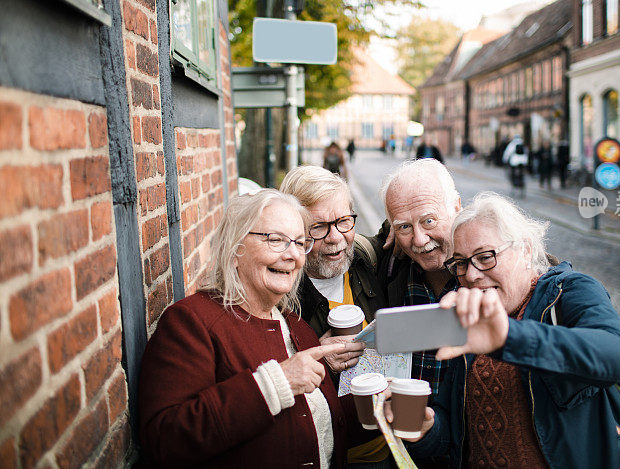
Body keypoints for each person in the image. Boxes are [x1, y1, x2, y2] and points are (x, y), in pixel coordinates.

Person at [403, 192, 620, 468]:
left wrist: (507, 337)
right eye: (461, 263)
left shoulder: (568, 291)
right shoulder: (468, 318)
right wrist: (426, 430)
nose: (472, 275)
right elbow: (456, 433)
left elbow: (616, 354)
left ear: (525, 250)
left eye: (486, 256)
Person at [138, 189, 368, 468]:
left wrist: (377, 407)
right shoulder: (192, 322)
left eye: (299, 242)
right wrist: (276, 383)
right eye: (276, 240)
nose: (293, 255)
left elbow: (318, 427)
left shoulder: (296, 326)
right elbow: (165, 439)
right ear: (235, 249)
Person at [280, 166, 398, 468]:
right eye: (318, 227)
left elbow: (408, 225)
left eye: (344, 221)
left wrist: (404, 223)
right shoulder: (280, 297)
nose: (336, 238)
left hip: (393, 445)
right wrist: (317, 363)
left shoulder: (370, 258)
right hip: (332, 456)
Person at [378, 159, 461, 397]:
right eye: (404, 227)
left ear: (456, 207)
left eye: (429, 221)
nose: (419, 240)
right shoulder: (392, 266)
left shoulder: (489, 265)